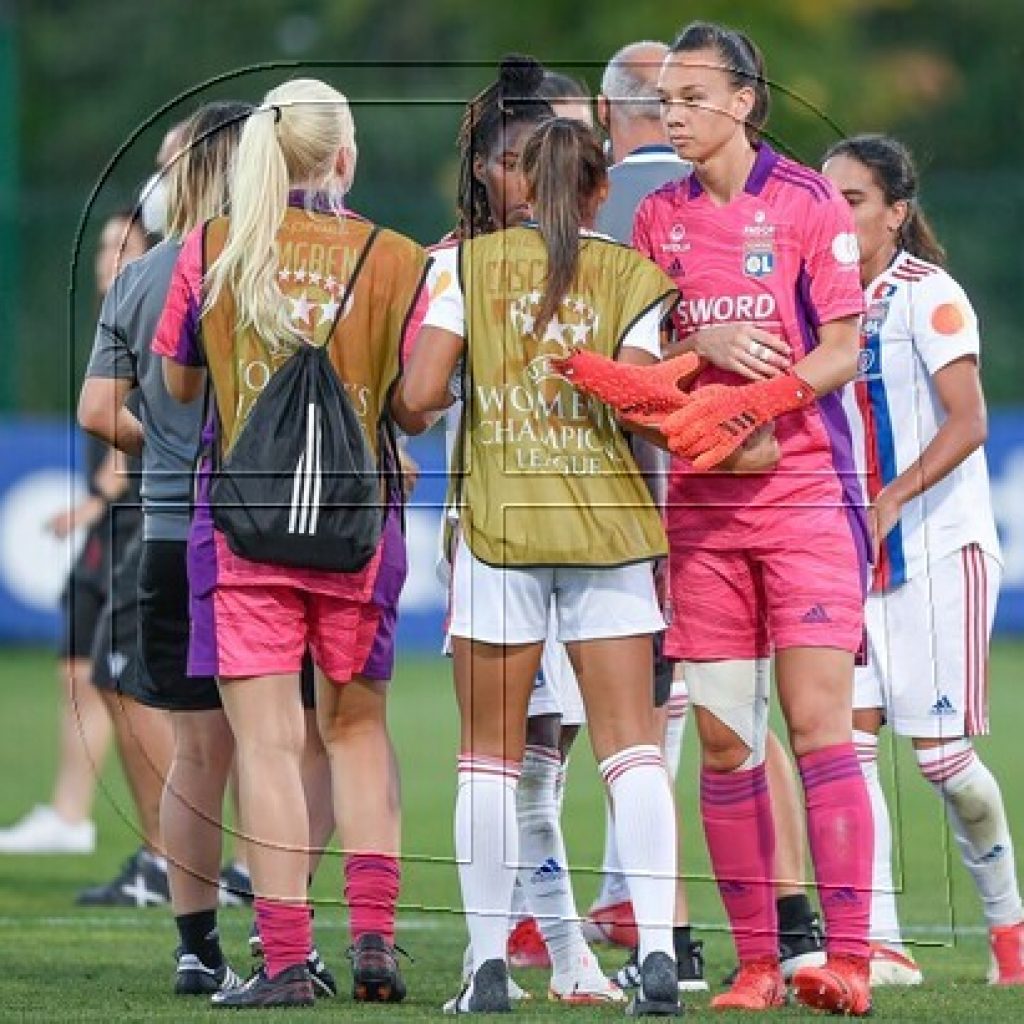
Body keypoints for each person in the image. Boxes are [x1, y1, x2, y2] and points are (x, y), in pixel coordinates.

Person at [563, 20, 875, 1014]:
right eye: (665, 100)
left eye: (692, 98)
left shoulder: (807, 201)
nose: (674, 115)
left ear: (744, 102)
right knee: (728, 738)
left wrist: (756, 402)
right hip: (701, 512)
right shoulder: (655, 217)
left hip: (804, 498)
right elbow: (638, 364)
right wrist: (704, 347)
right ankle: (754, 966)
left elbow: (841, 349)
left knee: (818, 726)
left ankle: (849, 961)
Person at [155, 78, 428, 1010]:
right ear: (345, 156)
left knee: (267, 747)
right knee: (357, 733)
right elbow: (413, 407)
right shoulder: (397, 256)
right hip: (359, 525)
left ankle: (282, 963)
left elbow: (180, 386)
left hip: (241, 528)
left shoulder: (214, 246)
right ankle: (375, 944)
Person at [400, 116, 683, 1016]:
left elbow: (415, 401)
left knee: (487, 760)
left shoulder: (463, 268)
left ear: (520, 185)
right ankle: (660, 957)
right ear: (601, 191)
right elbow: (641, 409)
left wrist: (480, 375)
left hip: (501, 528)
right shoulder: (636, 275)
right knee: (632, 750)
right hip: (609, 528)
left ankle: (488, 967)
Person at [430, 55, 622, 1007]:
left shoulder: (602, 264)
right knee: (513, 764)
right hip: (500, 538)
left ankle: (550, 957)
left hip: (581, 541)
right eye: (515, 162)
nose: (531, 178)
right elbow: (418, 400)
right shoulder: (450, 266)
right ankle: (521, 957)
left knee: (543, 768)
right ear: (487, 167)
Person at [823, 133, 1024, 988]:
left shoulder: (927, 294)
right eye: (825, 200)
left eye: (854, 201)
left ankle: (1009, 925)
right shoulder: (816, 298)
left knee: (944, 762)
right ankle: (882, 942)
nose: (835, 216)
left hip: (937, 549)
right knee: (846, 747)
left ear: (896, 213)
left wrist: (895, 496)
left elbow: (969, 419)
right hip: (843, 559)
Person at [80, 102, 260, 995]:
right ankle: (286, 940)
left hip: (167, 531)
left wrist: (168, 445)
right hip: (272, 539)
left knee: (195, 752)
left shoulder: (142, 274)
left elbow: (96, 412)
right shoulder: (283, 266)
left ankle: (196, 947)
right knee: (287, 746)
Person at [0, 213, 146, 856]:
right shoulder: (109, 319)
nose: (109, 256)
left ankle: (162, 843)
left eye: (124, 246)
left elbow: (134, 425)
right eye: (105, 246)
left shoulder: (142, 318)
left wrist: (93, 502)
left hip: (130, 523)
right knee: (78, 668)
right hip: (108, 522)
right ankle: (70, 814)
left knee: (118, 680)